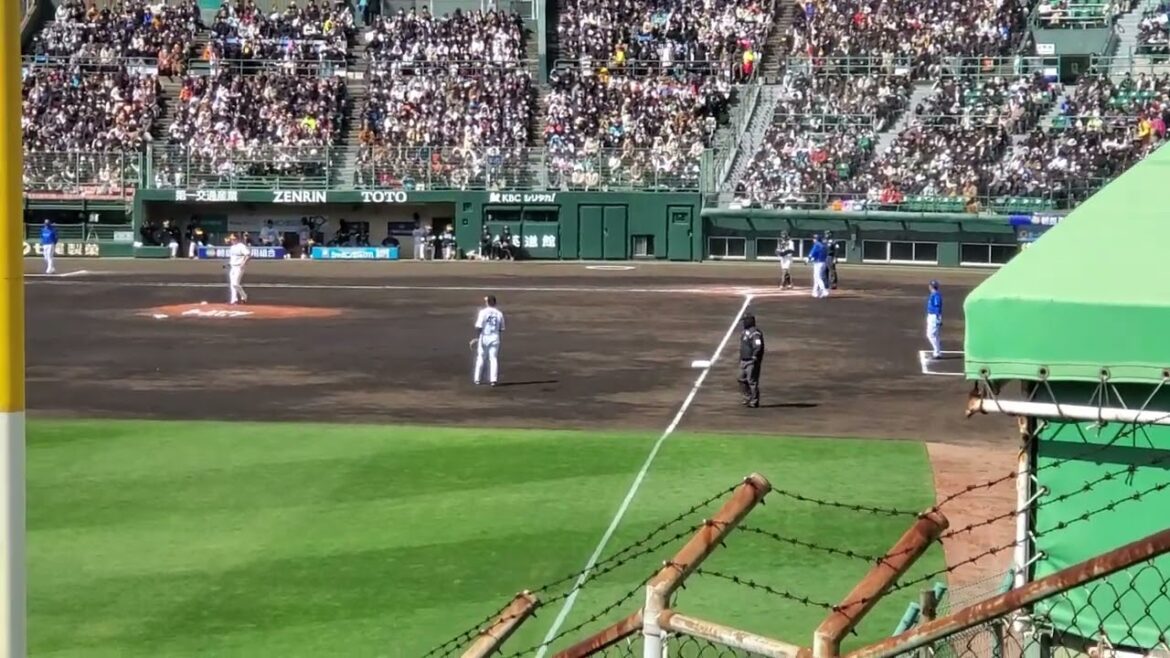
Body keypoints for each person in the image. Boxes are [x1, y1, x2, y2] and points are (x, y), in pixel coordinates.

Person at [470, 295, 506, 386]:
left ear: (487, 302)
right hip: (495, 338)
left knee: (481, 358)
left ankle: (477, 379)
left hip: (484, 337)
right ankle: (493, 380)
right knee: (493, 358)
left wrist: (477, 338)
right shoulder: (499, 313)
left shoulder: (483, 312)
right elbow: (501, 328)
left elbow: (479, 326)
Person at [737, 312, 765, 408]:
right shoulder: (745, 332)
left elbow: (758, 346)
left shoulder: (755, 333)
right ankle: (747, 397)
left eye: (745, 321)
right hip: (744, 360)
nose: (743, 323)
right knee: (741, 379)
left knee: (752, 381)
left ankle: (754, 401)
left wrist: (754, 356)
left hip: (751, 361)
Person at [227, 234, 250, 305]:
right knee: (232, 284)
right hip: (232, 267)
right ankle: (234, 300)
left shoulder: (241, 246)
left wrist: (243, 263)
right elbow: (232, 257)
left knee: (235, 284)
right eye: (231, 239)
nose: (232, 241)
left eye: (234, 239)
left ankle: (244, 296)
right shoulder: (232, 247)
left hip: (239, 267)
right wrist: (229, 264)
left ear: (237, 239)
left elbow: (248, 255)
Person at [807, 234, 828, 298]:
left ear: (816, 239)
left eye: (814, 238)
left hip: (818, 263)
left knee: (817, 277)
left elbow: (812, 253)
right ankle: (814, 292)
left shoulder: (817, 245)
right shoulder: (824, 245)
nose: (813, 240)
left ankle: (824, 290)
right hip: (823, 262)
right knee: (816, 277)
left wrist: (808, 259)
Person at [926, 280, 943, 359]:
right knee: (935, 335)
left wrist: (938, 318)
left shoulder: (936, 295)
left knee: (931, 335)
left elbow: (937, 307)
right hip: (932, 316)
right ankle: (937, 352)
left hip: (934, 317)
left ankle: (937, 352)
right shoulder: (934, 294)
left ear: (931, 287)